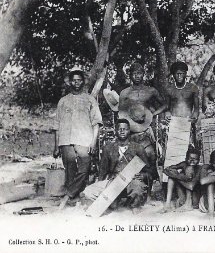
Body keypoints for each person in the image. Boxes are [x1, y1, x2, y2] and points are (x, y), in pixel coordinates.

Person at [53, 66, 102, 209]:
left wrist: (93, 142)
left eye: (79, 80)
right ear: (70, 82)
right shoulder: (63, 101)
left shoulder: (90, 100)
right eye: (74, 81)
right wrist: (56, 146)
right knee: (70, 168)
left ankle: (68, 195)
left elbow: (96, 123)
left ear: (83, 82)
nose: (76, 83)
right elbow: (57, 124)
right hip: (66, 139)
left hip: (84, 139)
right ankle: (74, 199)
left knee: (85, 167)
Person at [83, 119, 150, 211]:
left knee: (137, 187)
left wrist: (142, 175)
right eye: (119, 129)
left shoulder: (138, 148)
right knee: (88, 191)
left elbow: (149, 170)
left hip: (131, 182)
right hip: (114, 181)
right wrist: (100, 184)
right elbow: (103, 170)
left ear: (129, 130)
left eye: (125, 129)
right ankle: (114, 201)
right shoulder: (108, 148)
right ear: (116, 131)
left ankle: (134, 205)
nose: (122, 131)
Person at [119, 62, 165, 181]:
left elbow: (165, 104)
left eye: (139, 73)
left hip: (146, 129)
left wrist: (154, 114)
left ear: (143, 74)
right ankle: (133, 188)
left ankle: (150, 187)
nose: (137, 76)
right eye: (134, 73)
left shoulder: (151, 91)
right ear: (130, 75)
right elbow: (121, 113)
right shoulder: (125, 93)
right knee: (131, 159)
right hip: (131, 131)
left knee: (151, 157)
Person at [161, 145, 202, 212]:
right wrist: (176, 175)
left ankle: (188, 205)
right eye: (190, 158)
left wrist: (178, 176)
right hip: (183, 196)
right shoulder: (184, 164)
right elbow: (166, 170)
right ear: (186, 158)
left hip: (194, 199)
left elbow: (191, 186)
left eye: (195, 159)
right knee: (172, 174)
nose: (192, 161)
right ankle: (167, 204)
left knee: (187, 170)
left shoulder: (200, 169)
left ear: (198, 160)